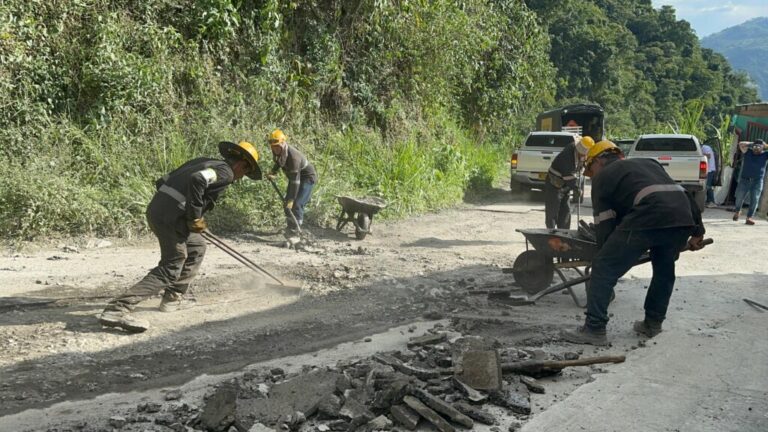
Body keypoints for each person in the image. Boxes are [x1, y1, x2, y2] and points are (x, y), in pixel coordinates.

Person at [98, 141, 262, 333]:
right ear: (242, 165)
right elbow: (198, 180)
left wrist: (186, 215)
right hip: (171, 219)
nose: (240, 178)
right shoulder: (226, 172)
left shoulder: (203, 161)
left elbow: (162, 181)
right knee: (172, 266)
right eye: (244, 173)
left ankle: (172, 298)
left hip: (158, 210)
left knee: (197, 246)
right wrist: (194, 217)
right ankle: (117, 309)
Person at [561, 140, 706, 346]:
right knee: (664, 270)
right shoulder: (649, 164)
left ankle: (594, 329)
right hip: (681, 218)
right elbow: (681, 193)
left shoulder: (603, 177)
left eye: (590, 168)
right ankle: (652, 323)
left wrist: (603, 257)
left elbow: (605, 223)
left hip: (649, 215)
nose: (591, 174)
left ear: (600, 161)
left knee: (603, 268)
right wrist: (698, 232)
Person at [267, 129, 318, 233]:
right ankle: (290, 227)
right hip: (294, 178)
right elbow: (279, 162)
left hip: (307, 178)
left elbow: (296, 182)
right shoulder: (281, 152)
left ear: (283, 144)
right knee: (286, 203)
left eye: (277, 146)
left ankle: (296, 231)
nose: (275, 149)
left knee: (297, 203)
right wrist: (273, 172)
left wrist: (292, 199)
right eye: (273, 147)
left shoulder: (294, 158)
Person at [543, 136, 594, 229]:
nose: (585, 156)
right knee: (552, 211)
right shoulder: (567, 156)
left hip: (565, 185)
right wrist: (577, 189)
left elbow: (584, 167)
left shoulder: (582, 154)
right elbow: (569, 177)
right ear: (579, 150)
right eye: (583, 154)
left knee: (565, 212)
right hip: (554, 184)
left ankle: (565, 234)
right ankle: (551, 233)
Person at [732, 139, 768, 225]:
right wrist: (753, 143)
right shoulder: (748, 152)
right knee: (739, 198)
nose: (756, 149)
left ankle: (749, 217)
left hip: (757, 181)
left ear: (762, 148)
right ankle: (737, 211)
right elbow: (740, 143)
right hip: (745, 180)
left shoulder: (765, 154)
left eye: (759, 147)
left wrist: (765, 145)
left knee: (754, 199)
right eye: (755, 147)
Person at [701, 142, 717, 207]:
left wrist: (700, 153)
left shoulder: (705, 148)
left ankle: (712, 202)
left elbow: (709, 156)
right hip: (708, 169)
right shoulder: (704, 147)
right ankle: (708, 201)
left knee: (708, 186)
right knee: (707, 185)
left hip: (710, 169)